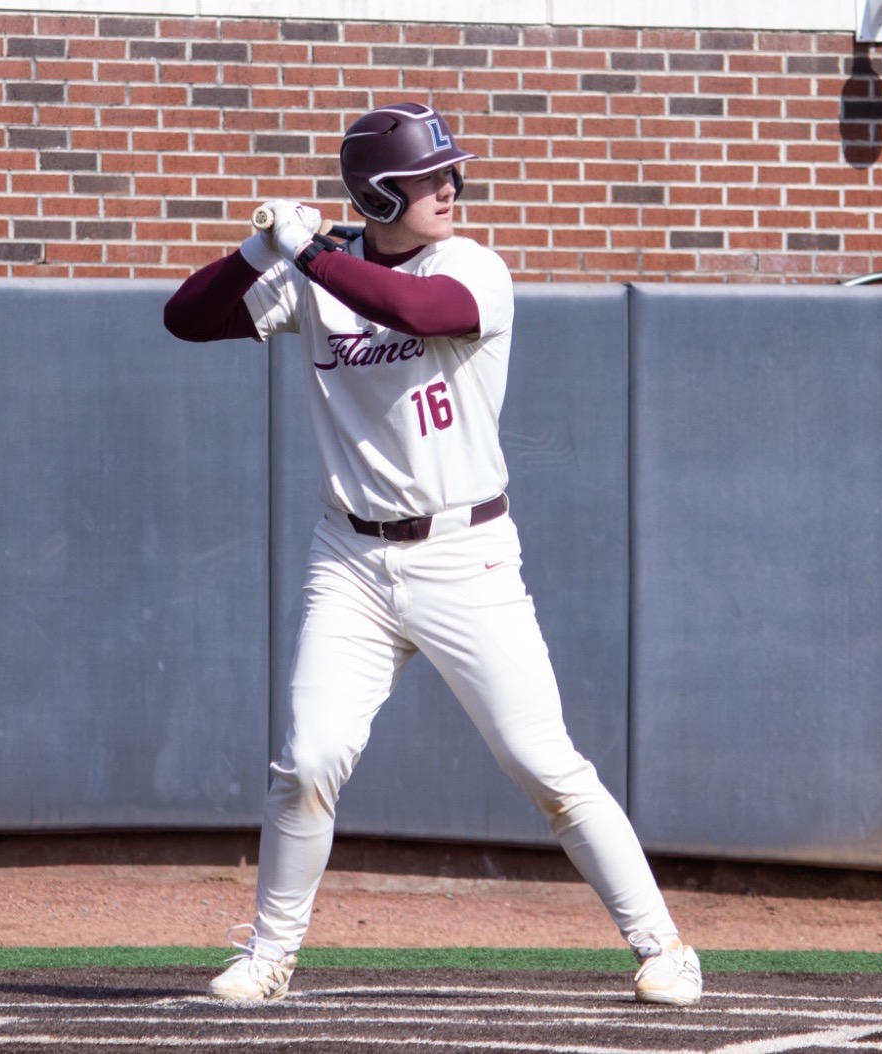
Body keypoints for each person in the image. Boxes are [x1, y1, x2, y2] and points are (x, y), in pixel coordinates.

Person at [162, 101, 702, 1005]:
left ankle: (664, 946)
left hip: (466, 553)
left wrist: (311, 252)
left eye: (451, 171)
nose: (450, 185)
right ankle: (269, 956)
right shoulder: (315, 272)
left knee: (543, 763)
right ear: (380, 190)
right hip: (352, 561)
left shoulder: (470, 265)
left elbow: (410, 303)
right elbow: (186, 320)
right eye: (428, 176)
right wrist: (261, 251)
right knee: (309, 759)